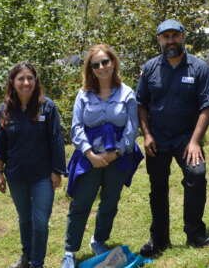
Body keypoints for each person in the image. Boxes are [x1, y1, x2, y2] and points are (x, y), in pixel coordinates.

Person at [136, 19, 209, 258]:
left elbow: (208, 106)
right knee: (157, 187)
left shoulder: (199, 68)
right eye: (165, 36)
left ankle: (195, 234)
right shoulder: (150, 68)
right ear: (159, 39)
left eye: (174, 35)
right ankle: (159, 240)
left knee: (197, 175)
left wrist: (195, 142)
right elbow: (141, 104)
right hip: (157, 140)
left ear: (183, 36)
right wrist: (147, 135)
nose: (170, 40)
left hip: (187, 139)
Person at [61, 44, 143, 268]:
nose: (101, 67)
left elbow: (132, 127)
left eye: (105, 62)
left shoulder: (127, 93)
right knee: (81, 203)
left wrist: (117, 152)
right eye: (95, 64)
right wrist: (90, 154)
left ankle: (99, 240)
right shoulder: (83, 94)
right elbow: (76, 128)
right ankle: (70, 250)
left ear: (113, 62)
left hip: (118, 157)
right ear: (90, 69)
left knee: (110, 201)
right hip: (89, 158)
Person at [0, 62, 66, 268]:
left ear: (36, 81)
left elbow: (56, 140)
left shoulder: (47, 107)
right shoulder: (4, 110)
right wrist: (0, 172)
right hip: (16, 175)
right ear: (13, 82)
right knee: (24, 219)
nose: (26, 83)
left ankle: (37, 263)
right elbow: (1, 144)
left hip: (43, 175)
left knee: (40, 221)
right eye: (21, 79)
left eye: (30, 78)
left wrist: (56, 171)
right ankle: (26, 256)